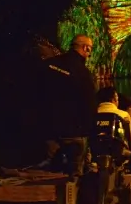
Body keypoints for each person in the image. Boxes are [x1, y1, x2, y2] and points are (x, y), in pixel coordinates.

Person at [41, 34, 98, 179]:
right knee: (74, 177)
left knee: (51, 174)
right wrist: (90, 132)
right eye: (90, 50)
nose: (89, 54)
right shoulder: (83, 74)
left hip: (49, 130)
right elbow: (89, 106)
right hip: (74, 133)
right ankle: (72, 198)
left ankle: (51, 197)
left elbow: (38, 95)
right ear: (85, 48)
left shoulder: (49, 65)